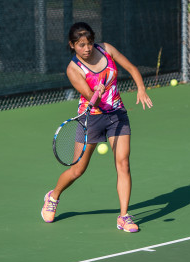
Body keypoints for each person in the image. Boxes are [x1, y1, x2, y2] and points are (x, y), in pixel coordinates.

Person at [41, 22, 153, 233]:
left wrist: (140, 88)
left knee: (123, 164)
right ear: (72, 45)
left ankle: (123, 216)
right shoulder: (73, 69)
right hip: (91, 118)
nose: (87, 48)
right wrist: (96, 92)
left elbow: (131, 67)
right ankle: (53, 196)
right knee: (78, 170)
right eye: (81, 44)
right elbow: (90, 100)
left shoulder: (106, 49)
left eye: (90, 43)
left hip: (117, 115)